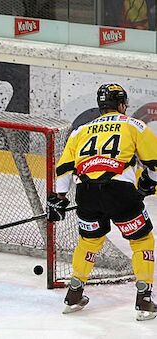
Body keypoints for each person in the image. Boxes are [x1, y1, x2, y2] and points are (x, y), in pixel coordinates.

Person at [47, 84, 157, 321]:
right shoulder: (134, 125)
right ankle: (144, 300)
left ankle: (74, 295)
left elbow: (64, 169)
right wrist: (149, 183)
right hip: (121, 194)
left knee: (89, 241)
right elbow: (155, 163)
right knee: (141, 240)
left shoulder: (80, 131)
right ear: (121, 105)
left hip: (86, 193)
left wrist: (59, 198)